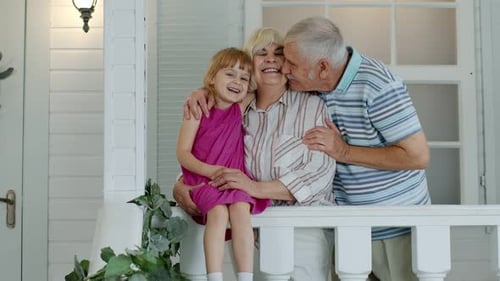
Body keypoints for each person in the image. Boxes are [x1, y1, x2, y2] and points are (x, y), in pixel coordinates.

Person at [174, 27, 336, 281]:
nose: (271, 58)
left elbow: (319, 173)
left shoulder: (311, 106)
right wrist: (181, 185)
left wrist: (256, 188)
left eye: (278, 53)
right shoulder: (234, 109)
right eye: (261, 53)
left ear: (289, 64)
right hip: (254, 233)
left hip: (301, 232)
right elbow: (207, 153)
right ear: (250, 66)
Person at [282, 17, 431, 281]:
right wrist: (206, 93)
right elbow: (249, 84)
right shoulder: (307, 87)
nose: (285, 69)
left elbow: (417, 156)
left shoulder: (378, 84)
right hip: (347, 229)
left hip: (398, 229)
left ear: (323, 67)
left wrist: (345, 152)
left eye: (292, 63)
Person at [176, 47, 271, 281]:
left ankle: (245, 277)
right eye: (230, 74)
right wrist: (211, 171)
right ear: (212, 77)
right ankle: (215, 276)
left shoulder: (239, 107)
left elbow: (264, 82)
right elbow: (183, 153)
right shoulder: (198, 111)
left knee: (241, 212)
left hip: (233, 180)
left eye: (243, 78)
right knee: (218, 214)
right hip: (204, 181)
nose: (237, 82)